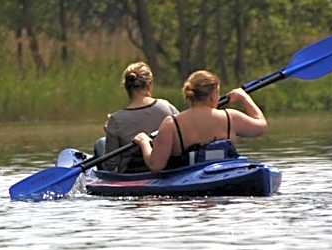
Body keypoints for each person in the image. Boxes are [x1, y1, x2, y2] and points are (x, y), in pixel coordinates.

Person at [132, 69, 266, 172]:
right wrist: (244, 98)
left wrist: (144, 142)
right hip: (225, 178)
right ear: (213, 95)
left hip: (190, 187)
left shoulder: (171, 124)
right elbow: (261, 126)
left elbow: (156, 165)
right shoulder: (230, 117)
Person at [102, 62, 179, 172]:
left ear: (126, 87)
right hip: (167, 169)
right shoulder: (166, 106)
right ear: (149, 84)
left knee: (100, 144)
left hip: (132, 174)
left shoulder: (116, 119)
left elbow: (110, 165)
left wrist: (110, 131)